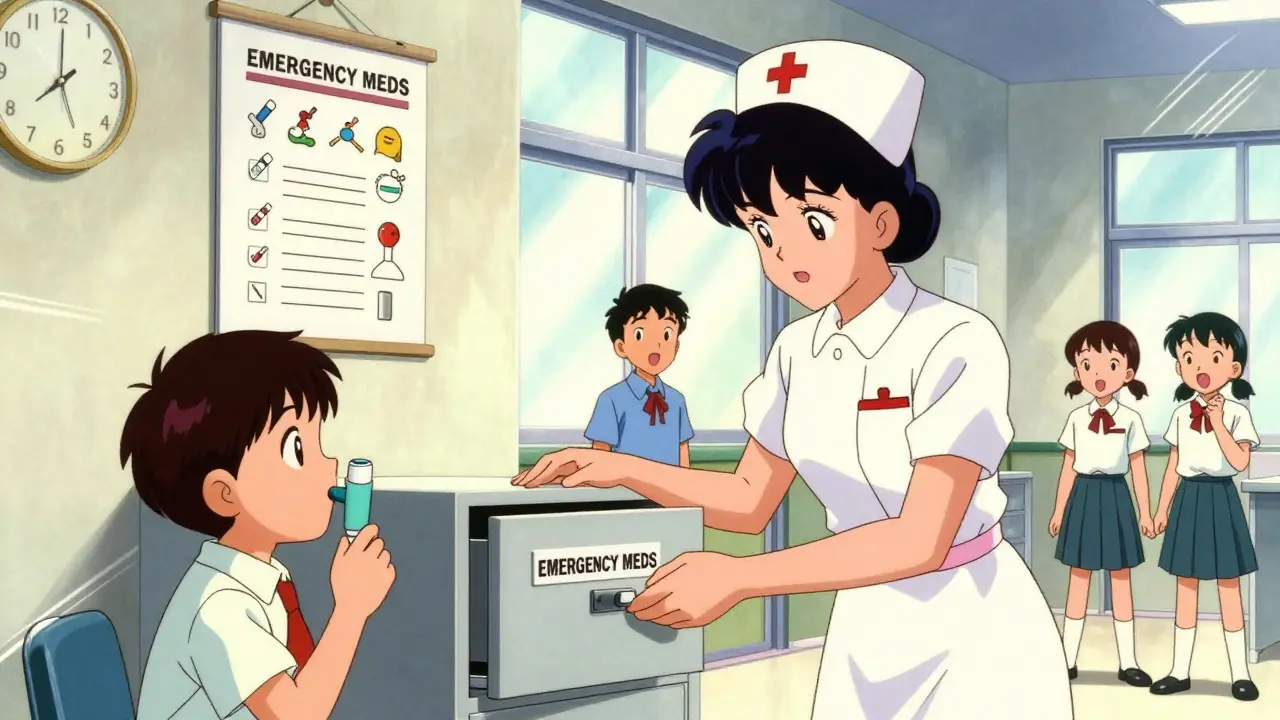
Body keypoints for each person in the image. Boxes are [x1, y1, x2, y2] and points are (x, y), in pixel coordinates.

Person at [514, 40, 1072, 719]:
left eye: (813, 220)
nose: (785, 254)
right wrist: (622, 470)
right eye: (761, 229)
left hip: (972, 622)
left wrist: (741, 580)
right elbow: (749, 499)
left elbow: (921, 537)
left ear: (881, 221)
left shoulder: (955, 340)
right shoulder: (795, 350)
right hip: (866, 624)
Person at [124, 330, 396, 720]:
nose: (329, 465)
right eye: (297, 449)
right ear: (225, 493)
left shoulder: (266, 579)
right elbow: (297, 715)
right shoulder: (220, 607)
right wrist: (350, 611)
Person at [1150, 312, 1260, 701]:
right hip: (1188, 501)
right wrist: (1162, 510)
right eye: (1190, 358)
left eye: (1213, 357)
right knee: (1186, 587)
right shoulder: (1180, 414)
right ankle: (1180, 671)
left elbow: (1240, 460)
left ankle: (1240, 674)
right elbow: (1173, 467)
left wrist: (1217, 423)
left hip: (1221, 498)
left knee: (1229, 587)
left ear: (1233, 366)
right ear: (1180, 365)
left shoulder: (1237, 413)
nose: (1200, 367)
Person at [1048, 321, 1155, 687]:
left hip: (1115, 496)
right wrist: (1059, 510)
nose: (1097, 374)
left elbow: (1138, 468)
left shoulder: (1131, 419)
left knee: (1120, 579)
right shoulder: (1077, 418)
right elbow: (1067, 466)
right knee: (1078, 579)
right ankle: (1067, 659)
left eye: (1110, 365)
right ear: (1077, 371)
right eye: (1087, 364)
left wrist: (1145, 512)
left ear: (1127, 372)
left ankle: (1129, 662)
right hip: (1082, 496)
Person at [584, 284, 694, 467]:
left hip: (669, 493)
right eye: (640, 334)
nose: (656, 344)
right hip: (624, 494)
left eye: (666, 334)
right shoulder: (611, 399)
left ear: (676, 346)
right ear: (621, 346)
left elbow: (682, 451)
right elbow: (600, 456)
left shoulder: (677, 400)